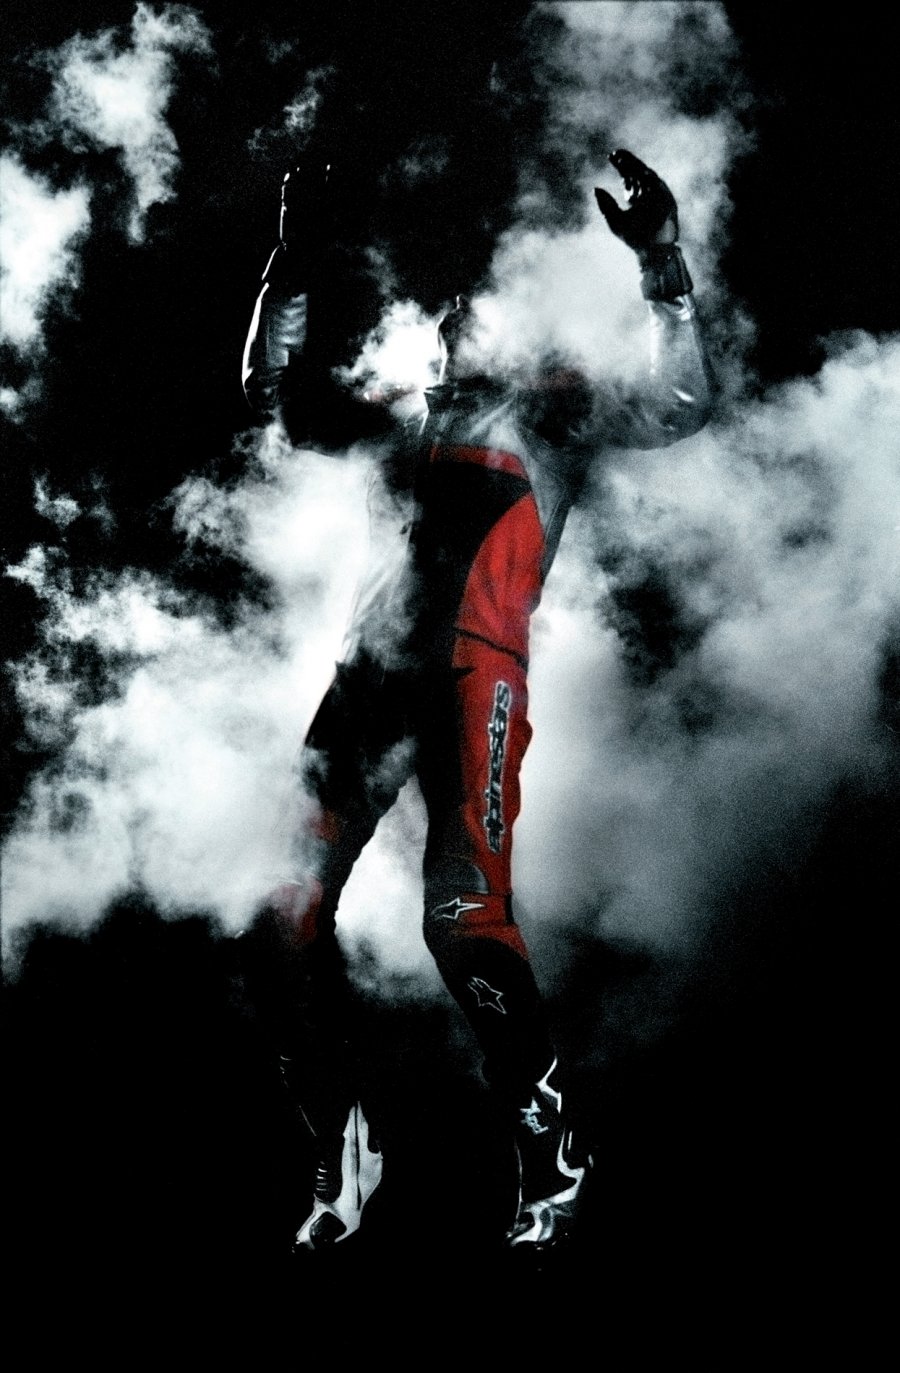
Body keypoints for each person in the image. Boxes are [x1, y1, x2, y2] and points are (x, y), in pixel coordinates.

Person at [240, 149, 713, 1253]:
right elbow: (272, 400)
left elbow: (682, 402)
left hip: (472, 679)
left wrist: (661, 261)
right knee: (275, 918)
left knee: (461, 922)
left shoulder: (554, 410)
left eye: (482, 302)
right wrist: (288, 262)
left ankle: (553, 1151)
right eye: (450, 305)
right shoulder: (403, 419)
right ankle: (344, 1147)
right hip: (366, 680)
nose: (458, 312)